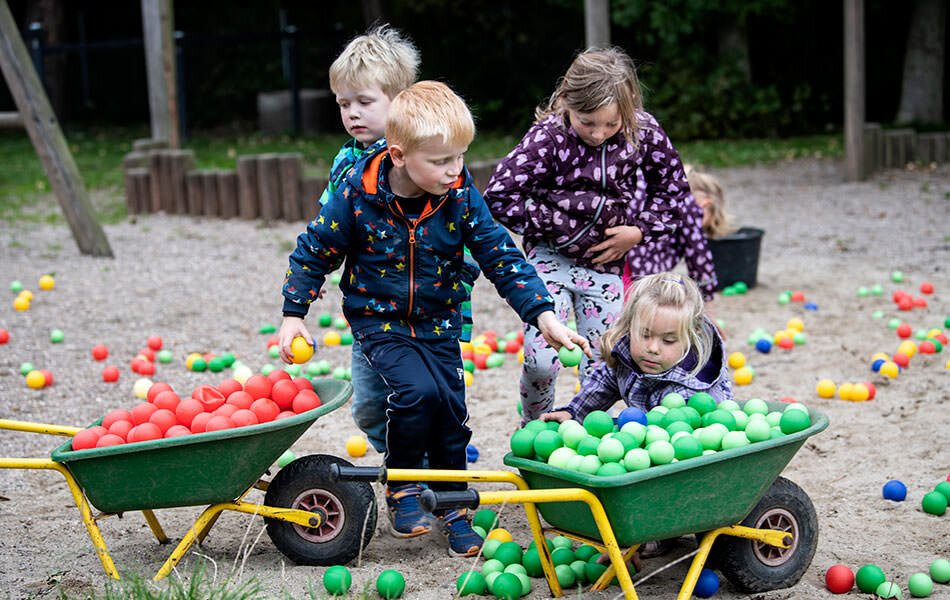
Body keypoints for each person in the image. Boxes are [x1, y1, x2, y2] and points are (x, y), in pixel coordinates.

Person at [279, 81, 590, 557]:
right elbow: (314, 249)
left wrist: (541, 312)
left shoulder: (460, 196)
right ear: (400, 155)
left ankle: (452, 502)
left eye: (460, 157)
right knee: (415, 393)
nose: (454, 170)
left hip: (439, 320)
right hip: (378, 321)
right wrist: (293, 314)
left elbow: (500, 254)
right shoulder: (356, 193)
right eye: (442, 161)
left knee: (449, 404)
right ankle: (403, 486)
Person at [484, 47, 688, 421]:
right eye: (587, 122)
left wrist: (638, 231)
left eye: (610, 124)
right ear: (565, 102)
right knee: (543, 362)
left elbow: (674, 193)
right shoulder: (549, 136)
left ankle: (585, 432)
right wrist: (561, 228)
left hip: (605, 267)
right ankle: (535, 428)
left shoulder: (642, 130)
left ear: (627, 109)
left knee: (602, 366)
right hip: (550, 261)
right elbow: (499, 196)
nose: (598, 134)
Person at [318, 25, 480, 455]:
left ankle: (426, 471)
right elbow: (325, 229)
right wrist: (315, 273)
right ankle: (406, 460)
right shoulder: (345, 163)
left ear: (400, 101)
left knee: (433, 396)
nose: (352, 113)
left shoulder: (431, 160)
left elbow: (474, 231)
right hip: (374, 310)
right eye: (343, 103)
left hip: (430, 310)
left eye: (365, 102)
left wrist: (457, 280)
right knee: (370, 406)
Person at [539, 272, 732, 425]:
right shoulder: (626, 358)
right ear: (630, 326)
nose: (653, 348)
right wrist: (572, 412)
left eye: (669, 340)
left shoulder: (690, 391)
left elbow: (687, 441)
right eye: (645, 335)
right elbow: (603, 384)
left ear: (689, 338)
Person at [622, 166, 727, 305]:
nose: (700, 229)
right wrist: (707, 300)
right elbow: (698, 256)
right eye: (705, 225)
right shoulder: (687, 201)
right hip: (627, 264)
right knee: (624, 313)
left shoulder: (658, 189)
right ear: (705, 205)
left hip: (616, 254)